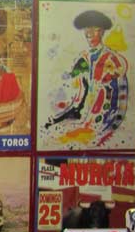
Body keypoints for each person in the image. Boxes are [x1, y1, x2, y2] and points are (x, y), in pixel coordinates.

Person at [44, 9, 128, 144]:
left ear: (102, 32)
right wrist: (58, 119)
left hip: (103, 125)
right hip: (84, 122)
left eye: (94, 29)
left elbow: (121, 103)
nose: (89, 33)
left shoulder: (113, 60)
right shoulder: (83, 59)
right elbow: (78, 99)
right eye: (86, 29)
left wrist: (105, 133)